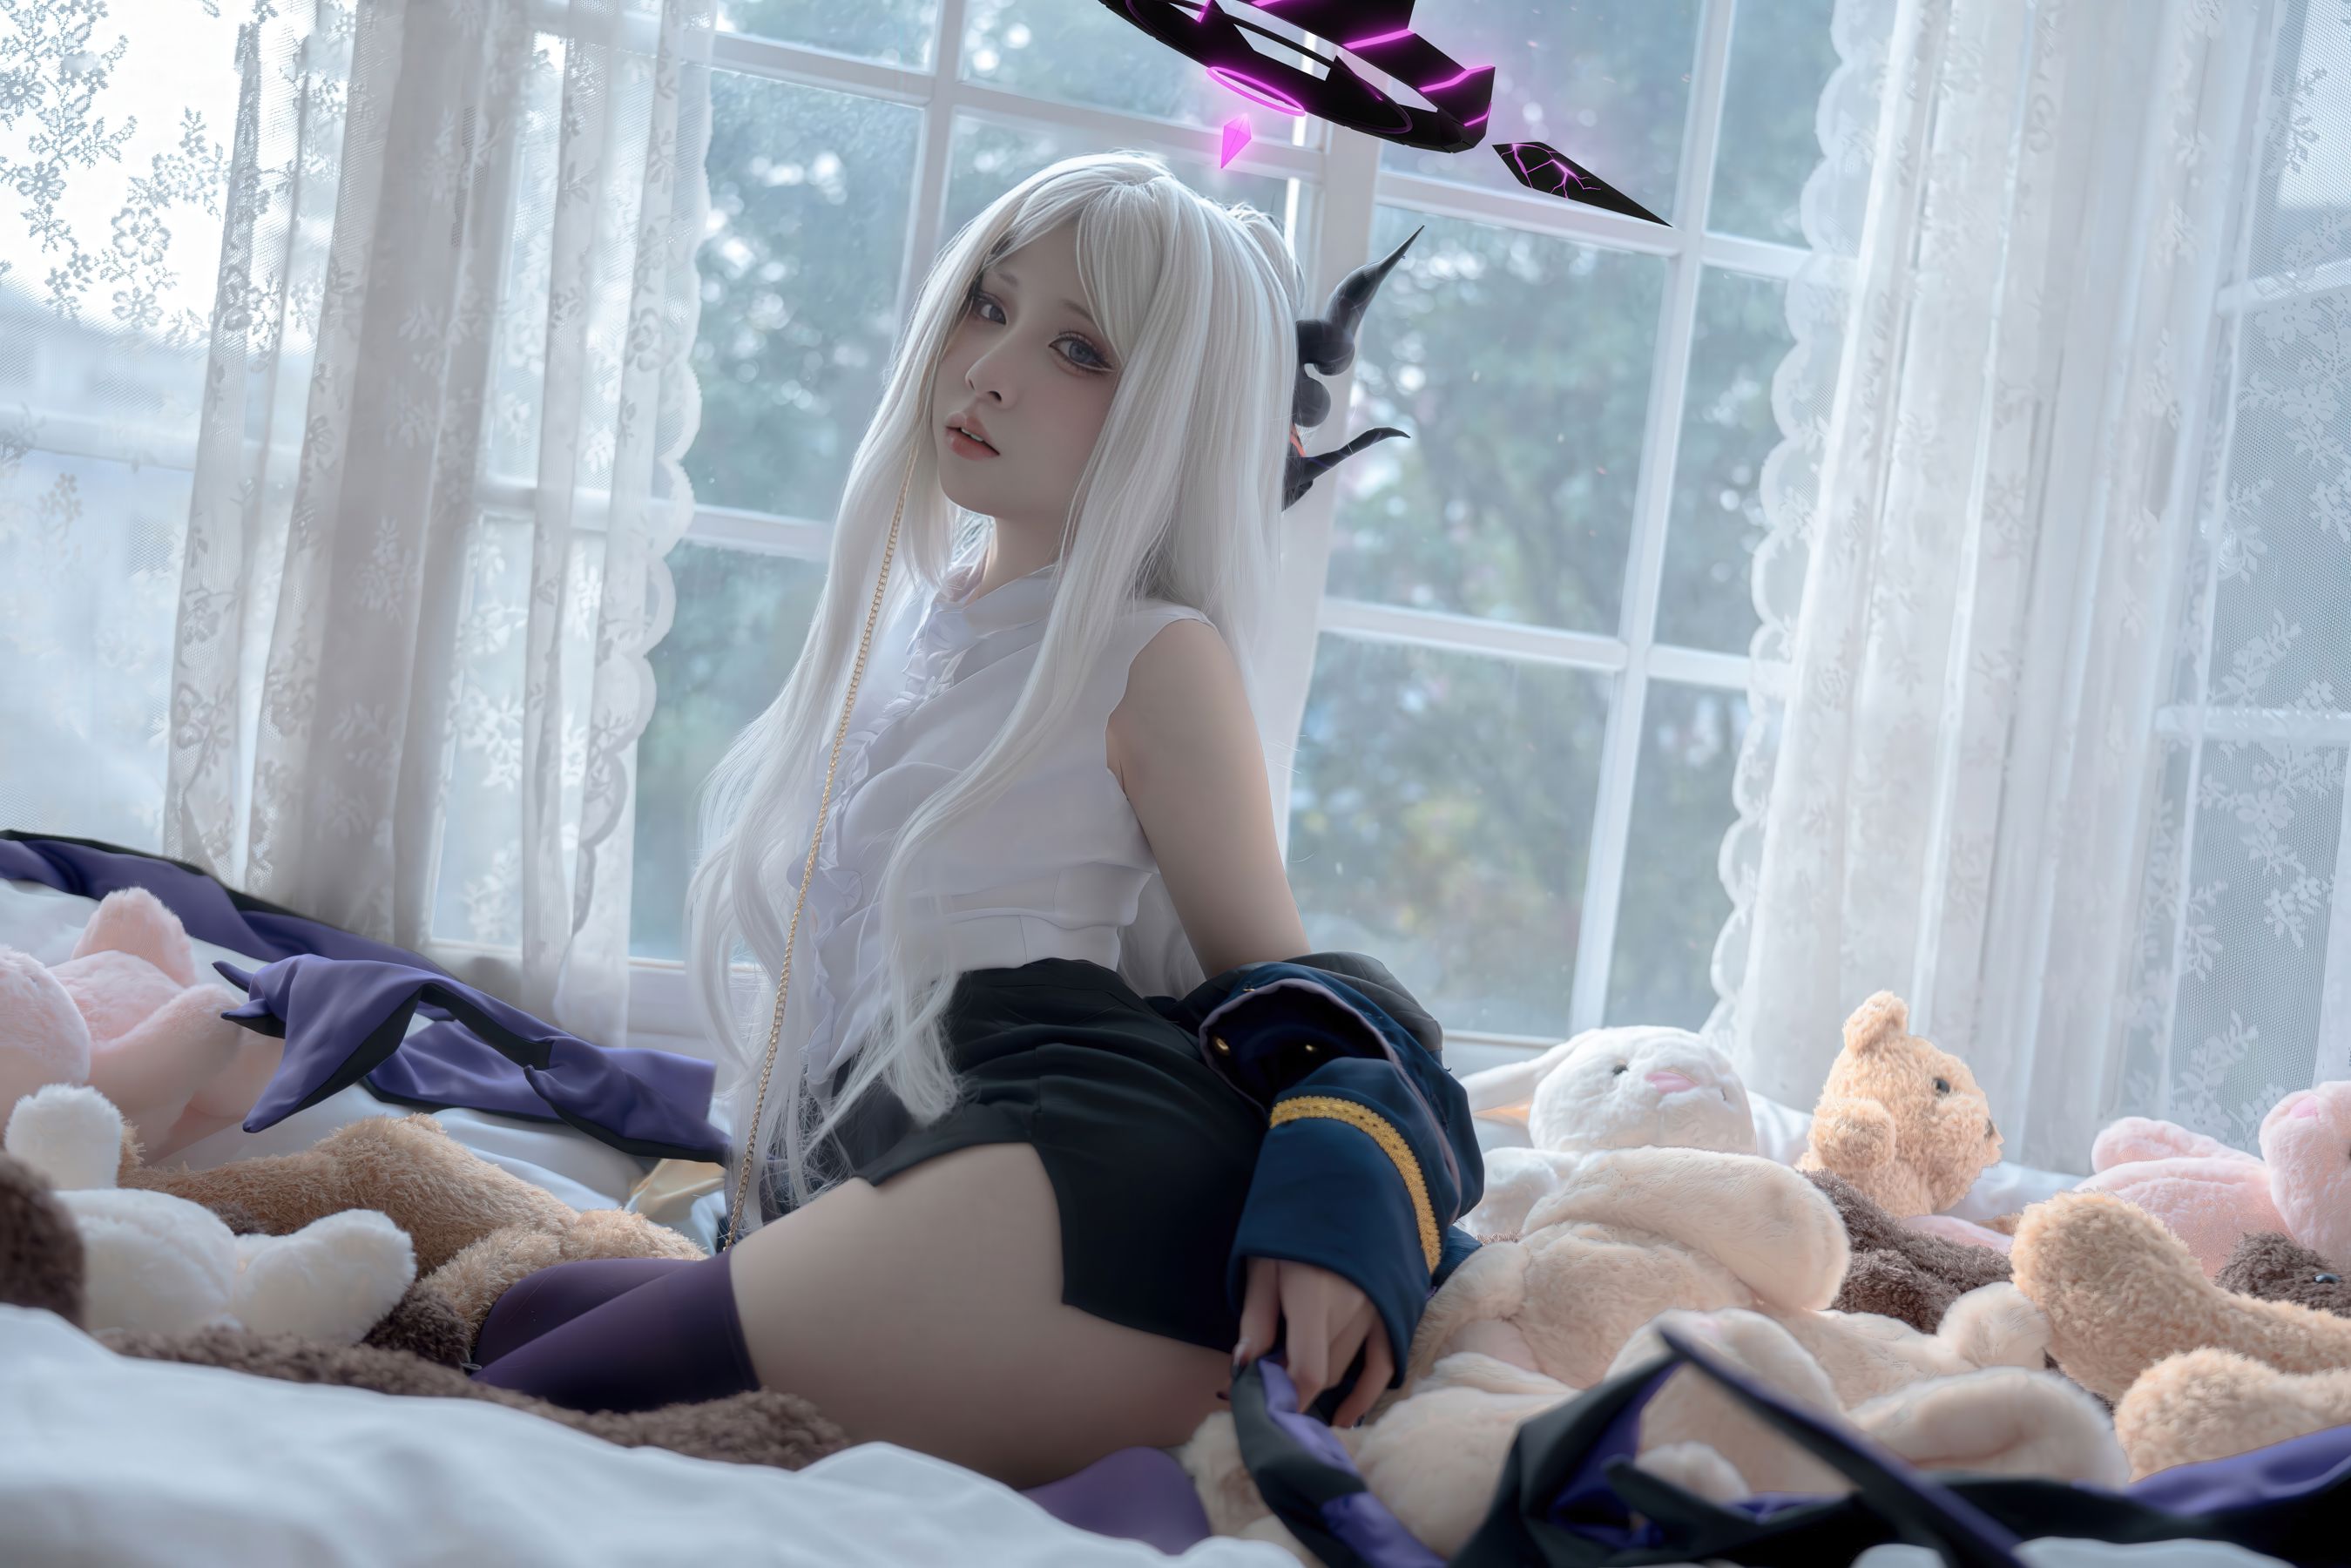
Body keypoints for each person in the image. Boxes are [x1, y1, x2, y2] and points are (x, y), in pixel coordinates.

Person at [467, 151, 1483, 1491]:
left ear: (1170, 412)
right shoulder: (919, 621)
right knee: (519, 1322)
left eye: (1078, 348)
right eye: (989, 306)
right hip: (907, 1147)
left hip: (1060, 1143)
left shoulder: (1156, 653)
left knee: (516, 1408)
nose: (990, 369)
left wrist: (1343, 1198)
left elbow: (1294, 991)